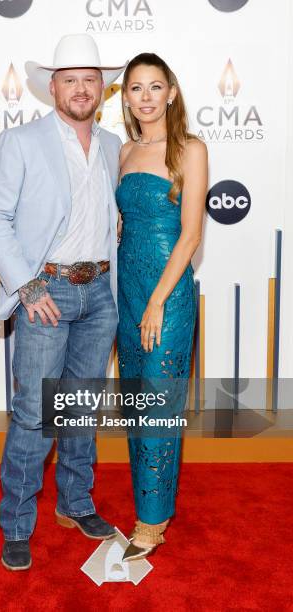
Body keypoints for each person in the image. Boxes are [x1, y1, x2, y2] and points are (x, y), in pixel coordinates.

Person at [0, 33, 126, 571]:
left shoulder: (114, 146)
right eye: (71, 80)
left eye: (91, 79)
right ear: (53, 87)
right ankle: (16, 524)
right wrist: (27, 286)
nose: (81, 89)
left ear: (102, 89)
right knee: (35, 415)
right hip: (48, 292)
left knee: (81, 410)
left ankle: (76, 502)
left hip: (100, 295)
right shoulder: (21, 142)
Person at [116, 53, 208, 561]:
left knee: (157, 407)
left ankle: (151, 523)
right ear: (126, 96)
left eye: (155, 86)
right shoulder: (125, 151)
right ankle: (150, 502)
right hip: (127, 294)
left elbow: (191, 234)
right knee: (137, 407)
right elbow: (124, 223)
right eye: (135, 88)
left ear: (171, 91)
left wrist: (156, 301)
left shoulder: (190, 149)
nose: (146, 97)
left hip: (166, 298)